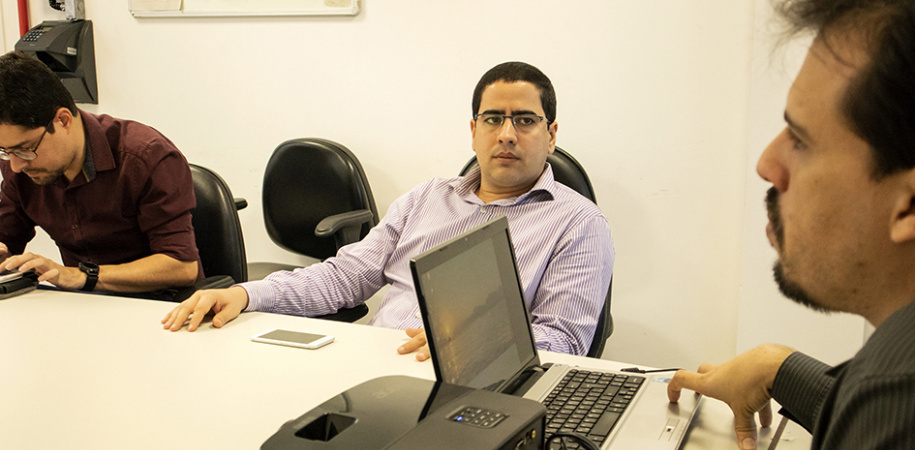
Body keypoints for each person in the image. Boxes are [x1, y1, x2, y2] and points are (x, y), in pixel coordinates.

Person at [667, 0, 915, 450]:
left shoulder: (897, 401)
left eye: (800, 140)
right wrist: (775, 367)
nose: (768, 163)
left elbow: (888, 407)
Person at [163, 61, 614, 358]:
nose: (507, 134)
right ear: (474, 130)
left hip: (483, 386)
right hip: (376, 365)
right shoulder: (426, 199)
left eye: (525, 120)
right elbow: (344, 277)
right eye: (493, 119)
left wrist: (471, 343)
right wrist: (247, 294)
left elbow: (565, 342)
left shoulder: (578, 224)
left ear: (551, 135)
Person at [0, 51, 202, 295]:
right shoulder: (22, 167)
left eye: (25, 149)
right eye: (5, 151)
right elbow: (6, 239)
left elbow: (181, 266)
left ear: (62, 121)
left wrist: (81, 276)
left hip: (161, 308)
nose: (15, 165)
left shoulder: (145, 158)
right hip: (83, 307)